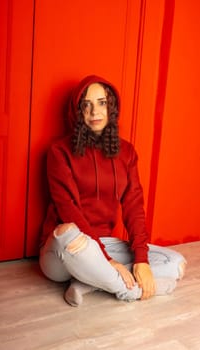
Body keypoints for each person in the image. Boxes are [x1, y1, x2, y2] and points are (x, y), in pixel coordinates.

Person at [39, 75, 186, 306]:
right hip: (65, 250)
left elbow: (134, 206)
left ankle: (86, 282)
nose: (94, 111)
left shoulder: (126, 152)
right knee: (67, 230)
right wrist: (109, 261)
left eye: (102, 102)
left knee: (176, 262)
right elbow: (69, 210)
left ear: (112, 107)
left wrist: (141, 260)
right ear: (78, 111)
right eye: (86, 104)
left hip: (104, 243)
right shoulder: (59, 152)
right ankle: (129, 290)